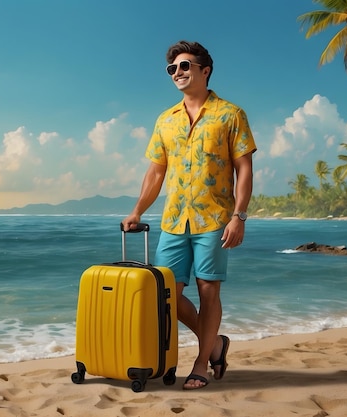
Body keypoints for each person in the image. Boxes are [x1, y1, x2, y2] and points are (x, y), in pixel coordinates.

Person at [122, 40, 257, 390]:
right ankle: (215, 343)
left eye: (184, 67)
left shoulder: (230, 114)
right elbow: (155, 173)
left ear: (204, 70)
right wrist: (137, 210)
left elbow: (244, 168)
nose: (177, 73)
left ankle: (200, 363)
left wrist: (239, 216)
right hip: (173, 220)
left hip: (214, 218)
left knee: (208, 290)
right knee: (165, 291)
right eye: (172, 69)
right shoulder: (165, 120)